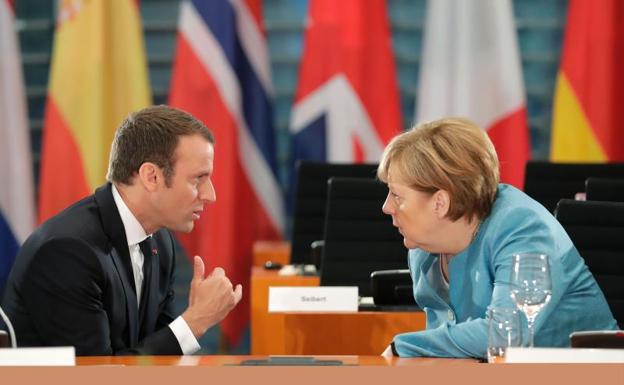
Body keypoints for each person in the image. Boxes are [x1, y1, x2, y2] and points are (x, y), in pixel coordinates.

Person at [1, 105, 242, 355]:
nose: (210, 195)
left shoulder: (160, 240)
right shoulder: (66, 251)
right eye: (197, 179)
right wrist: (195, 322)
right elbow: (98, 376)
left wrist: (192, 323)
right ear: (151, 177)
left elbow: (155, 356)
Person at [378, 118, 618, 358]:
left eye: (397, 196)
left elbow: (504, 336)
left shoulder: (523, 227)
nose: (386, 207)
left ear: (440, 203)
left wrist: (404, 345)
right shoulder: (423, 246)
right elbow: (448, 344)